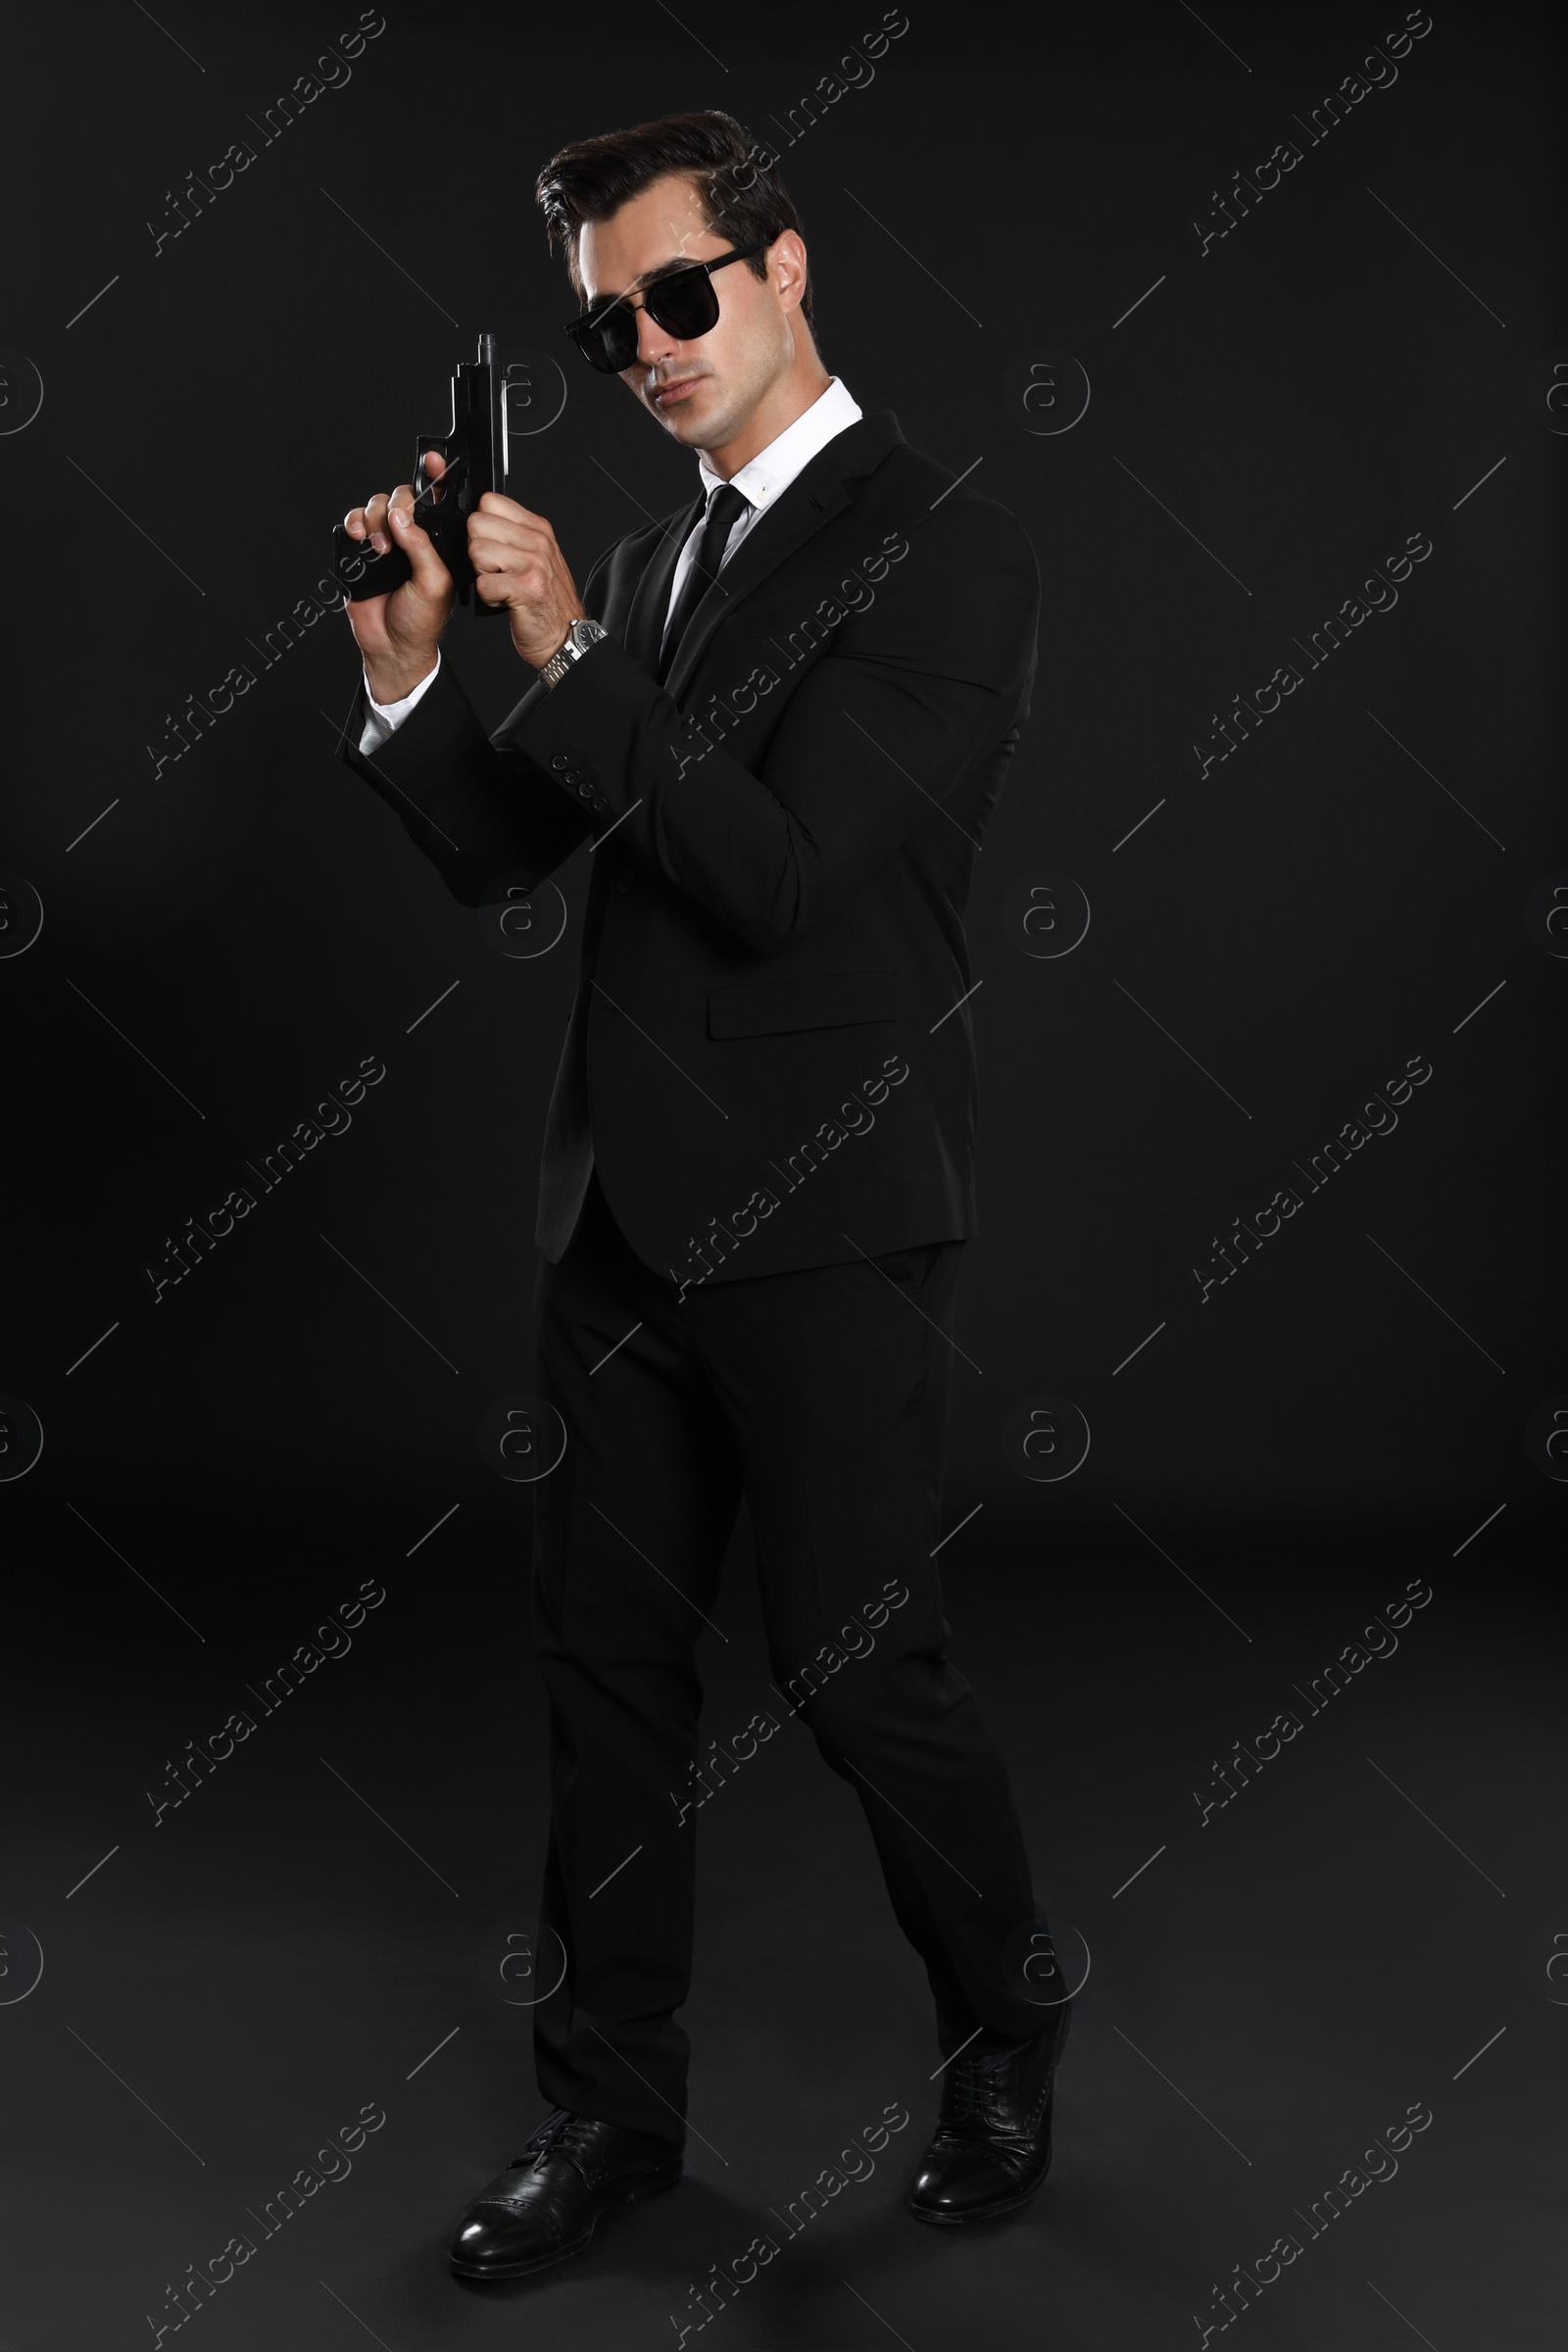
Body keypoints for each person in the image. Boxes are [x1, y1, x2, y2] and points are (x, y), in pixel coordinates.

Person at [336, 107, 1070, 2282]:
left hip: (832, 1216)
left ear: (781, 268)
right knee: (604, 1683)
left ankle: (1007, 2023)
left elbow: (774, 882)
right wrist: (406, 686)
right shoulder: (655, 567)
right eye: (602, 325)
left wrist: (563, 656)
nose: (645, 346)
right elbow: (514, 860)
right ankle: (609, 2126)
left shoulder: (942, 551)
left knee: (862, 1677)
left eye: (674, 294)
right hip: (618, 1221)